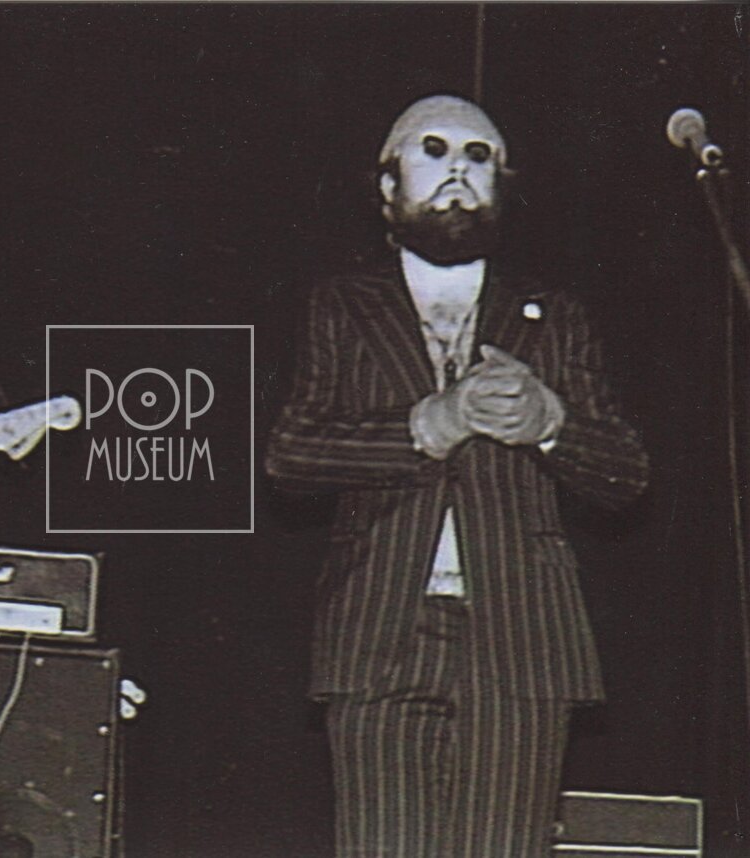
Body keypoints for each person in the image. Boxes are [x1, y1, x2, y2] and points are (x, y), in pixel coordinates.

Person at [265, 94, 650, 857]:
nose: (457, 171)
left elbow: (627, 475)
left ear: (501, 187)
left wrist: (549, 423)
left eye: (479, 157)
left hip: (523, 640)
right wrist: (428, 425)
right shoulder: (341, 305)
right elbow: (291, 456)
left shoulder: (555, 314)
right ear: (388, 186)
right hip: (378, 635)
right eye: (433, 150)